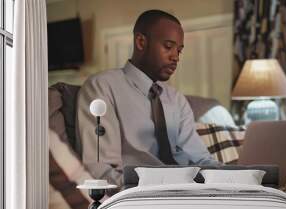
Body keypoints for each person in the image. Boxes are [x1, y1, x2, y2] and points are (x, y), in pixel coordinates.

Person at [75, 10, 219, 186]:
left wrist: (232, 179)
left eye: (179, 50)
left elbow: (201, 160)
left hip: (190, 190)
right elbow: (102, 169)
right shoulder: (102, 88)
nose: (175, 57)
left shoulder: (176, 99)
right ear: (141, 42)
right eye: (168, 46)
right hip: (141, 194)